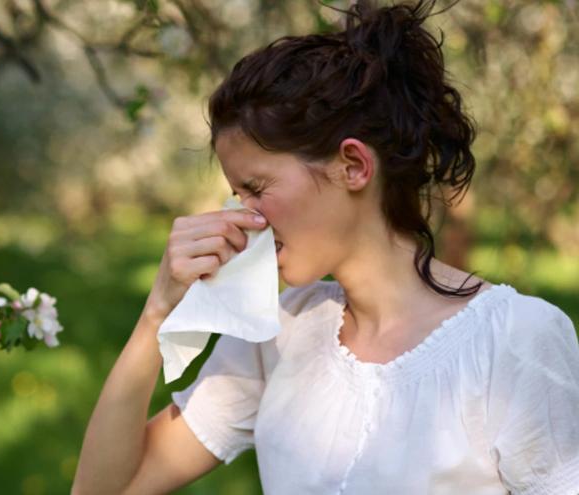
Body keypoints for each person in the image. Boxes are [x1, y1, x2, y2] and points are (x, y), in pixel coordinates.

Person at [71, 0, 579, 493]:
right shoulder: (278, 334)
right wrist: (157, 316)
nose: (242, 217)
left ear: (353, 166)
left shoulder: (513, 339)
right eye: (236, 193)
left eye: (257, 188)